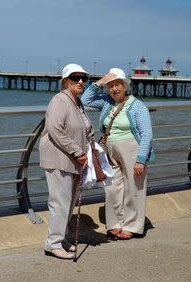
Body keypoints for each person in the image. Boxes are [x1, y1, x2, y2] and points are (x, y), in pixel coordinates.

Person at [81, 68, 154, 240]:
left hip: (133, 150)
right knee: (112, 187)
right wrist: (100, 82)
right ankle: (115, 224)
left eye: (117, 84)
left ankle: (133, 227)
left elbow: (147, 134)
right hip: (110, 151)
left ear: (125, 85)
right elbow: (84, 100)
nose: (114, 89)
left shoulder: (137, 106)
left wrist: (141, 160)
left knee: (134, 188)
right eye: (110, 86)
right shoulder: (107, 102)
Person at [40, 63, 94, 259]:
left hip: (75, 160)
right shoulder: (59, 100)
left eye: (84, 78)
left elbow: (85, 127)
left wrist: (90, 146)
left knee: (69, 202)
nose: (80, 81)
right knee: (59, 202)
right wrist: (77, 151)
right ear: (65, 81)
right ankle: (52, 244)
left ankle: (61, 238)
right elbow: (55, 129)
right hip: (59, 158)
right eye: (75, 77)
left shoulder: (77, 102)